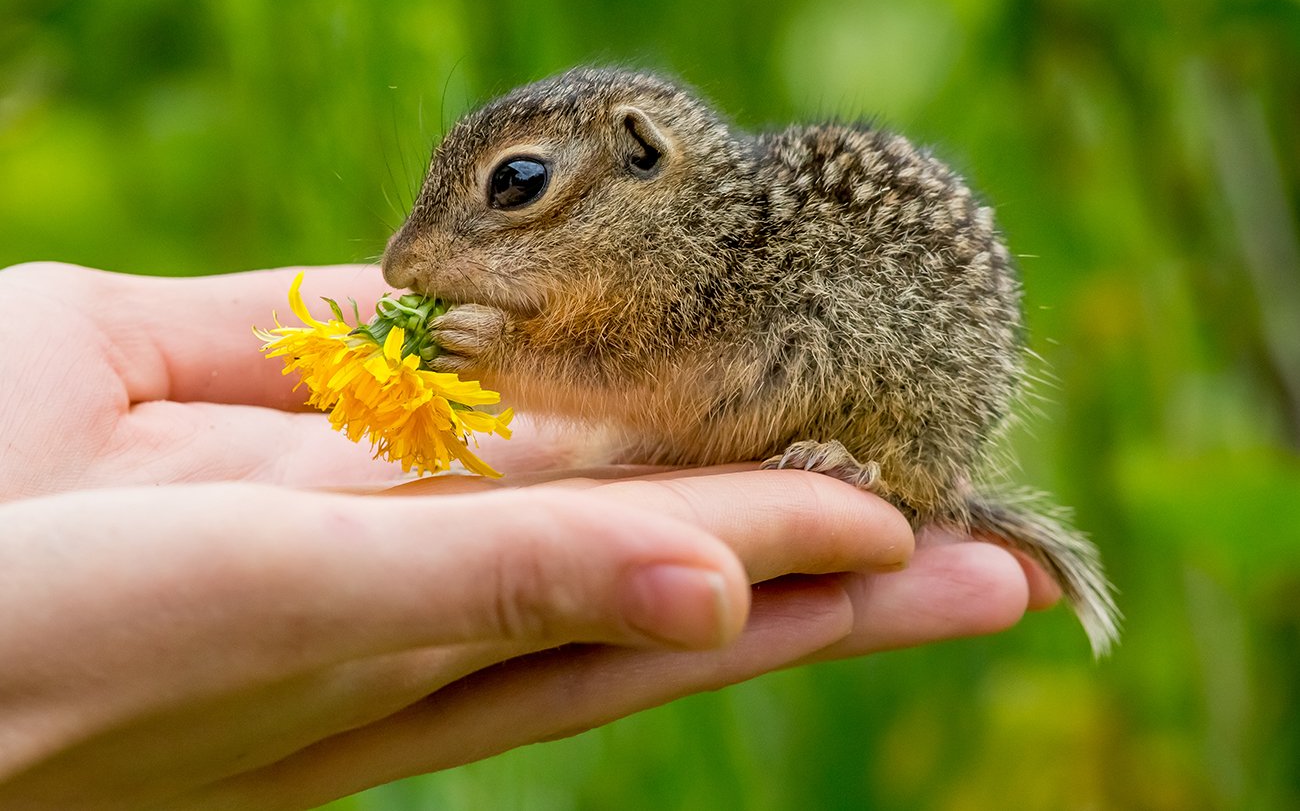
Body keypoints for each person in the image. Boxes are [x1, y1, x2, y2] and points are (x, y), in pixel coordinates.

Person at [0, 261, 1060, 809]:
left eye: (519, 192)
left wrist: (500, 360)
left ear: (642, 160)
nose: (406, 262)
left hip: (876, 414)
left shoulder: (685, 267)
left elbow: (638, 370)